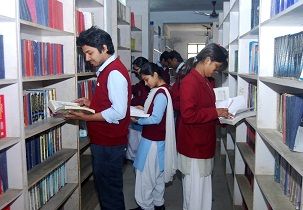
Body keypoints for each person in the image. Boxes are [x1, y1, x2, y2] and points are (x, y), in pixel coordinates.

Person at [65, 26, 131, 210]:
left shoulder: (114, 73)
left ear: (104, 48)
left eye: (89, 52)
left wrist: (86, 116)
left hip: (109, 145)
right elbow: (109, 103)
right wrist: (90, 103)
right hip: (105, 143)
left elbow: (118, 112)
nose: (87, 58)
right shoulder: (107, 69)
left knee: (110, 193)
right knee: (106, 190)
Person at [177, 43, 230, 210]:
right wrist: (216, 113)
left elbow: (204, 109)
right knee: (195, 192)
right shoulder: (190, 82)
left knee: (202, 191)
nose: (216, 71)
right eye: (216, 66)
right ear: (207, 60)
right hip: (194, 145)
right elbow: (189, 115)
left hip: (203, 142)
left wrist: (222, 116)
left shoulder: (205, 81)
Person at [130, 62, 177, 210]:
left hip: (152, 143)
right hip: (158, 142)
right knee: (157, 177)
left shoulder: (161, 93)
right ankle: (158, 205)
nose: (145, 83)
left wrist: (138, 119)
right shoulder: (162, 90)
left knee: (145, 176)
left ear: (155, 75)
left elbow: (156, 118)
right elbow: (157, 113)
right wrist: (143, 108)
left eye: (146, 79)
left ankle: (146, 206)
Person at [127, 56, 149, 161]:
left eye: (136, 70)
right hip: (137, 117)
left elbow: (143, 100)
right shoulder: (141, 82)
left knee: (141, 148)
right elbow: (135, 88)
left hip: (144, 119)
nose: (135, 72)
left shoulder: (148, 83)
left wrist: (132, 102)